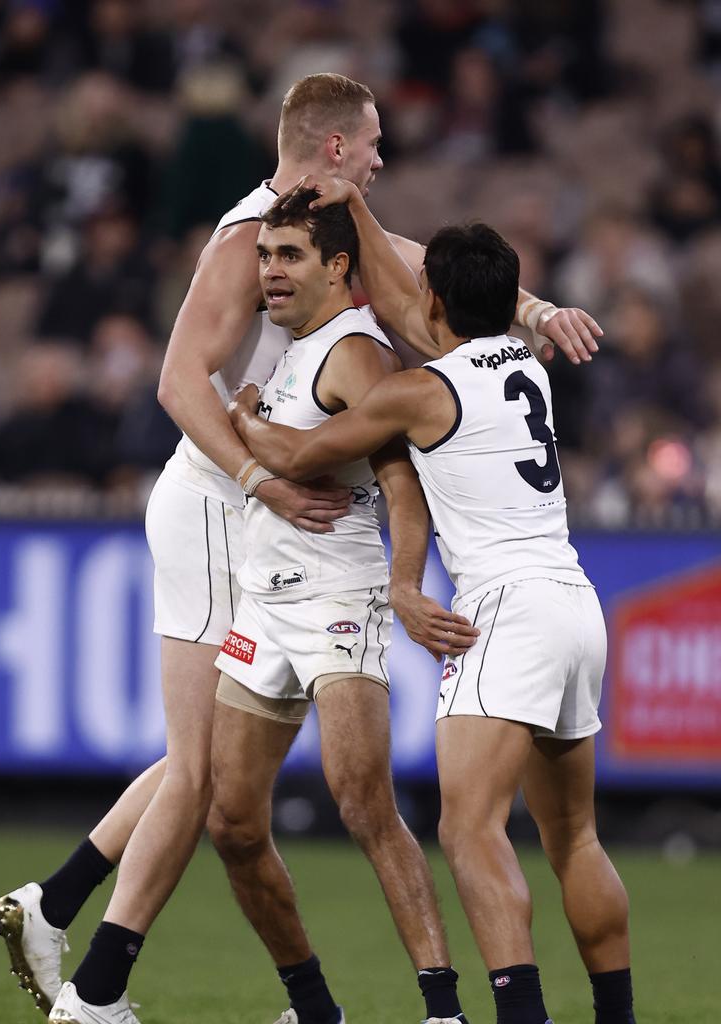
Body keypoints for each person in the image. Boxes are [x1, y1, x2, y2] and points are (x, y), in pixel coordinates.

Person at [0, 73, 602, 1024]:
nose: (379, 159)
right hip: (220, 505)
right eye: (370, 145)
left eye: (293, 259)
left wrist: (530, 312)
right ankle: (90, 961)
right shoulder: (250, 237)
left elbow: (422, 284)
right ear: (330, 149)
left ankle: (75, 928)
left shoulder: (333, 248)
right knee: (207, 779)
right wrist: (254, 474)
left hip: (300, 543)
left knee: (271, 791)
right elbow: (177, 381)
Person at [229, 178, 636, 1024]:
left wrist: (240, 412)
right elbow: (419, 296)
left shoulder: (422, 393)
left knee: (469, 831)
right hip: (574, 603)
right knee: (577, 840)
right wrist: (364, 213)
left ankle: (519, 1016)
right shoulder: (528, 363)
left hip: (503, 613)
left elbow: (302, 452)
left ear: (438, 300)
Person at [208, 187, 483, 1024]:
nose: (270, 272)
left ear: (338, 266)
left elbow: (403, 481)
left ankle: (443, 1010)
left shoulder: (356, 353)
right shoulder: (288, 347)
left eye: (289, 256)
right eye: (264, 256)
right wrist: (252, 417)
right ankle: (314, 1008)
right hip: (266, 599)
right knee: (231, 822)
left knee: (363, 802)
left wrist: (403, 585)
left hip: (339, 594)